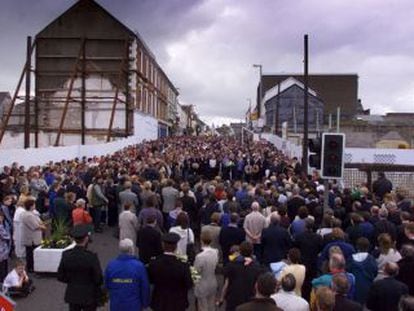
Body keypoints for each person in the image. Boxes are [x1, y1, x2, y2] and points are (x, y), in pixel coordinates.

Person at [57, 224, 103, 311]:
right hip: (89, 295)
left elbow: (60, 276)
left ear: (74, 239)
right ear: (86, 239)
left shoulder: (66, 254)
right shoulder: (91, 257)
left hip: (72, 294)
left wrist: (72, 281)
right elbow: (98, 278)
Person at [147, 232, 193, 311]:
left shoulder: (154, 263)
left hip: (159, 301)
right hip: (178, 303)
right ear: (175, 246)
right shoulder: (183, 265)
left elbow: (150, 280)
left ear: (163, 246)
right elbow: (189, 284)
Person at [105, 239, 150, 311]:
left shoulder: (111, 265)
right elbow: (144, 287)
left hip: (116, 304)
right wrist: (145, 304)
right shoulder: (139, 266)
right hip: (134, 305)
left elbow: (106, 284)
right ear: (131, 249)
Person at [220, 241, 265, 311]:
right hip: (249, 300)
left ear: (240, 251)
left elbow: (227, 283)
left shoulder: (231, 265)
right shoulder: (257, 267)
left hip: (233, 299)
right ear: (252, 252)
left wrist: (222, 298)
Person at [347, 237, 377, 304]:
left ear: (357, 246)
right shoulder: (371, 259)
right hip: (368, 287)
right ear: (368, 247)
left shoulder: (351, 259)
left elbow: (347, 272)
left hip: (354, 288)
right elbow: (375, 272)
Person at [194, 231, 219, 311]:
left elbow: (196, 272)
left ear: (201, 240)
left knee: (203, 307)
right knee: (211, 306)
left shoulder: (200, 256)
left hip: (202, 284)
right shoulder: (216, 252)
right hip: (213, 281)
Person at [21, 199, 46, 273]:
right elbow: (35, 226)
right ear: (31, 206)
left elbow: (40, 222)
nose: (35, 205)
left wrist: (41, 224)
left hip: (34, 238)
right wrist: (42, 227)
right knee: (30, 254)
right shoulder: (28, 215)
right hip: (31, 239)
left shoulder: (32, 213)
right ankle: (30, 267)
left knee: (32, 253)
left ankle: (33, 266)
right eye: (34, 204)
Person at [0, 209, 10, 282]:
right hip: (2, 249)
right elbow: (6, 236)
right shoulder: (0, 227)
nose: (2, 219)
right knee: (3, 268)